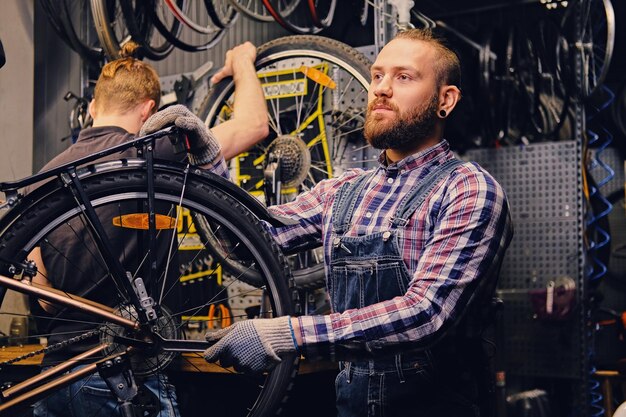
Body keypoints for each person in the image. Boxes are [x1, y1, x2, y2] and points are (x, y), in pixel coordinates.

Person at [141, 28, 514, 417]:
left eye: (403, 77)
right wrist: (208, 158)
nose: (382, 89)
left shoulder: (468, 189)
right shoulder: (343, 190)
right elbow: (252, 240)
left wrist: (288, 334)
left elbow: (426, 314)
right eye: (377, 75)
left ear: (445, 100)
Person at [30, 40, 268, 417]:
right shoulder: (155, 153)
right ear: (149, 112)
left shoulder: (43, 178)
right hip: (124, 380)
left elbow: (43, 296)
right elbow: (253, 125)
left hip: (53, 379)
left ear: (93, 107)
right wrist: (242, 61)